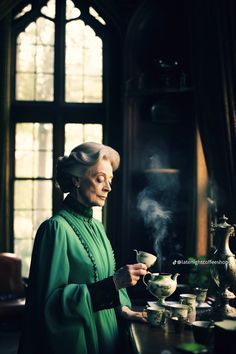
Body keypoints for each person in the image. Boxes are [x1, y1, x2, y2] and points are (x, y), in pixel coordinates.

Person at [18, 142, 147, 354]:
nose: (108, 187)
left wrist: (124, 310)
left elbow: (104, 280)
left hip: (108, 332)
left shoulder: (97, 227)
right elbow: (51, 306)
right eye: (100, 179)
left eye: (110, 180)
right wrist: (114, 283)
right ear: (76, 180)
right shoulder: (55, 229)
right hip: (83, 340)